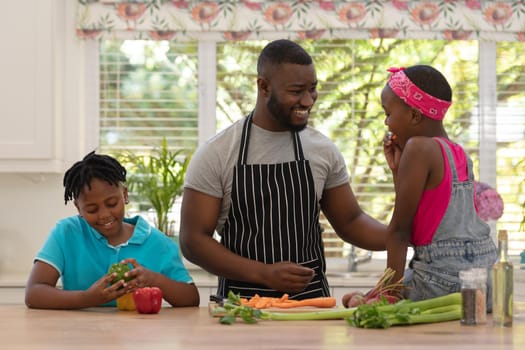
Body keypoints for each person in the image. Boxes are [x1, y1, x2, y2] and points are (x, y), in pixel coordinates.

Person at [179, 39, 387, 300]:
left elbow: (351, 222)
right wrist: (263, 273)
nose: (308, 100)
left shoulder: (322, 150)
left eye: (313, 89)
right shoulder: (217, 153)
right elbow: (193, 241)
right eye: (296, 91)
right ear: (263, 86)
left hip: (311, 309)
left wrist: (403, 235)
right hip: (241, 311)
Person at [343, 65, 497, 306]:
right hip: (484, 279)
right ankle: (381, 294)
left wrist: (388, 293)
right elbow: (424, 223)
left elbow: (401, 230)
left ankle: (385, 295)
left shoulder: (418, 147)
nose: (386, 123)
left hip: (444, 277)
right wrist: (398, 170)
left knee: (368, 300)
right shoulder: (458, 153)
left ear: (414, 116)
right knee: (371, 295)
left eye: (388, 113)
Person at [25, 151, 199, 309]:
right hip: (80, 338)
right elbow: (34, 293)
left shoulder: (158, 244)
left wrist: (154, 279)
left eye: (111, 204)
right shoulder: (67, 233)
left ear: (124, 194)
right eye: (92, 209)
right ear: (78, 208)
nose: (104, 215)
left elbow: (191, 298)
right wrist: (86, 299)